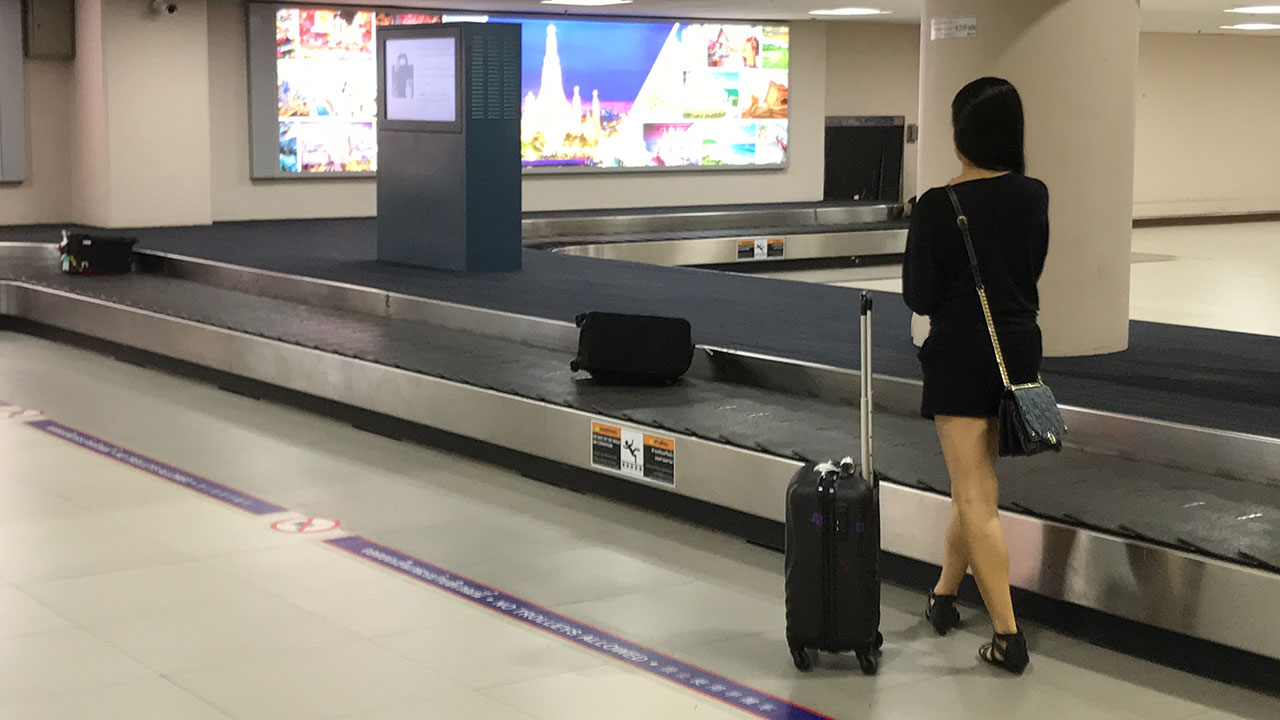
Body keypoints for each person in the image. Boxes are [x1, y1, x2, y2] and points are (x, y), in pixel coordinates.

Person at [902, 77, 1050, 675]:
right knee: (976, 483)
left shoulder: (940, 203)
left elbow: (919, 295)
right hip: (1017, 348)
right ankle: (943, 596)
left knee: (973, 492)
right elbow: (1030, 268)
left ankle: (1008, 637)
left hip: (962, 351)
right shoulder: (1034, 194)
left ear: (962, 133)